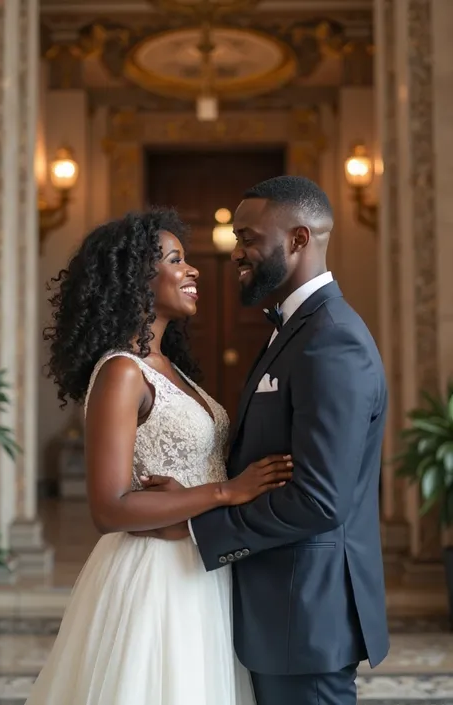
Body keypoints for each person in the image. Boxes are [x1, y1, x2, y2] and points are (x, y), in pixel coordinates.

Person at [25, 208, 293, 705]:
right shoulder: (122, 373)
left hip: (201, 563)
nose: (192, 270)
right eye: (176, 260)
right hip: (155, 578)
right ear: (134, 279)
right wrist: (224, 492)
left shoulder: (170, 368)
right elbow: (108, 508)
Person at [144, 176, 390, 705]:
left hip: (306, 618)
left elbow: (320, 499)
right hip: (279, 615)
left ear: (299, 239)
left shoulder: (334, 340)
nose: (237, 253)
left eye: (248, 237)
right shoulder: (295, 329)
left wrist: (196, 525)